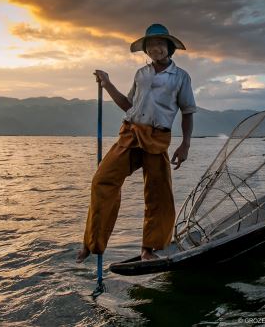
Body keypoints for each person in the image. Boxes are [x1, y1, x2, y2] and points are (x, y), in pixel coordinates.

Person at [77, 24, 197, 262]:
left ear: (169, 48)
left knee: (158, 194)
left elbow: (188, 112)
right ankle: (92, 243)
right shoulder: (141, 74)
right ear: (146, 49)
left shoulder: (181, 77)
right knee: (102, 180)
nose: (155, 48)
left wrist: (185, 145)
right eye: (151, 45)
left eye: (160, 44)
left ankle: (148, 250)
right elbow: (128, 105)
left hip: (157, 138)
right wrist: (107, 83)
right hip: (130, 134)